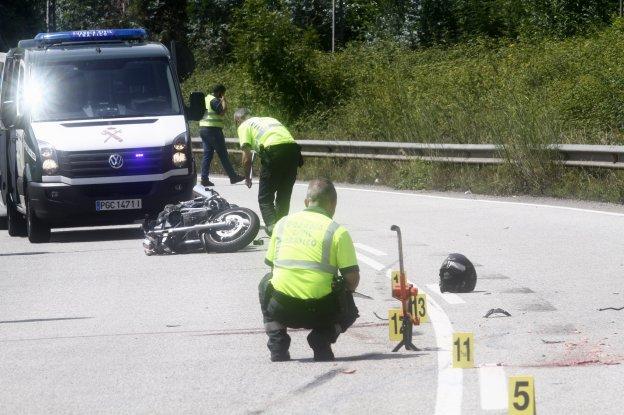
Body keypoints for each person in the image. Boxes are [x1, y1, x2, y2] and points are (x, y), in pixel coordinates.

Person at [258, 179, 360, 362]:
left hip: (282, 308)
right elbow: (352, 280)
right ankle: (322, 337)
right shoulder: (337, 231)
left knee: (266, 282)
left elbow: (273, 267)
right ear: (333, 204)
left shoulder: (282, 224)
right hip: (321, 312)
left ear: (306, 202)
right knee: (350, 308)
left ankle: (277, 344)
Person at [234, 108, 303, 235]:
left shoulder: (244, 125)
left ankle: (273, 229)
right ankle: (281, 228)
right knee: (284, 194)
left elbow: (246, 158)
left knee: (265, 197)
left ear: (238, 120)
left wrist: (247, 177)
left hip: (274, 152)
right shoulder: (269, 119)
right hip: (294, 152)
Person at [199, 84, 245, 187]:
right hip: (213, 130)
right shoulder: (214, 100)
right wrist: (223, 100)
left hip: (203, 129)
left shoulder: (206, 98)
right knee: (223, 154)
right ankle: (233, 177)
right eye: (223, 94)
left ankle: (204, 178)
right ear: (220, 93)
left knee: (208, 155)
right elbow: (222, 111)